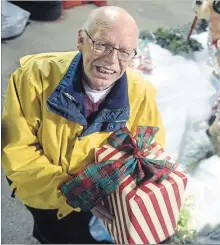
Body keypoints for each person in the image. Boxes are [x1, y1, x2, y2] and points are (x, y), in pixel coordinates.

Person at [1, 6, 165, 244]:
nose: (111, 61)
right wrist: (73, 190)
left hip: (103, 200)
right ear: (80, 39)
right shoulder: (32, 78)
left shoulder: (141, 94)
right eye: (102, 45)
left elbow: (150, 151)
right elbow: (17, 152)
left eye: (124, 52)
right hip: (45, 193)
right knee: (53, 232)